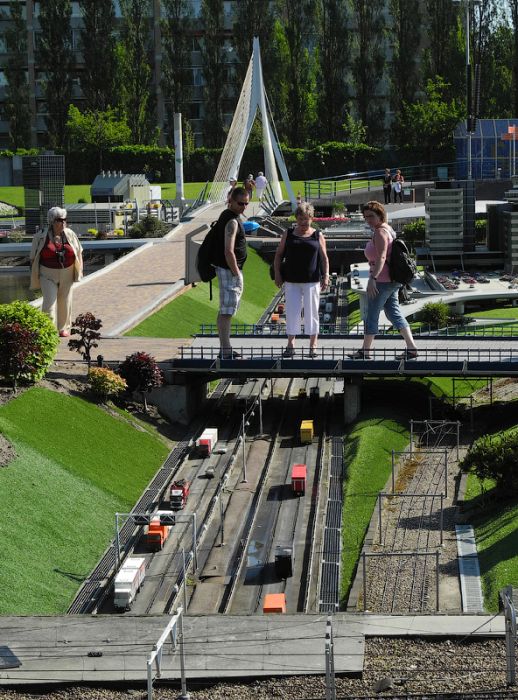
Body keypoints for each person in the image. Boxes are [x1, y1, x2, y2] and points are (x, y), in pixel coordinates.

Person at [347, 201, 418, 360]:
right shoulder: (388, 229)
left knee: (371, 314)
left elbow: (381, 257)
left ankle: (365, 351)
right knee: (393, 313)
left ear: (380, 215)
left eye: (371, 216)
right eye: (366, 217)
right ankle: (412, 348)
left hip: (383, 280)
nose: (368, 220)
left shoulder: (380, 232)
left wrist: (373, 278)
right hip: (391, 280)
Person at [273, 202, 330, 358]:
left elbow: (324, 258)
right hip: (291, 280)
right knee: (292, 313)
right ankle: (291, 344)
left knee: (312, 313)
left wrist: (326, 275)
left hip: (312, 281)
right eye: (300, 219)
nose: (303, 222)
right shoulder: (289, 233)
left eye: (306, 219)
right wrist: (277, 273)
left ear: (311, 218)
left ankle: (313, 345)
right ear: (296, 219)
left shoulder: (317, 235)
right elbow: (278, 255)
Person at [30, 206, 83, 337]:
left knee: (65, 301)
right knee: (49, 303)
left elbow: (79, 252)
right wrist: (34, 273)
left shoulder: (70, 234)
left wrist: (80, 270)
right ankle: (48, 329)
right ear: (52, 221)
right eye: (60, 219)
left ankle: (63, 328)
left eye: (65, 219)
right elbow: (32, 257)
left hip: (67, 272)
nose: (64, 222)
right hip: (47, 274)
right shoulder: (40, 236)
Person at [212, 187, 249, 359]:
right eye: (240, 203)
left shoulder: (228, 216)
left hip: (228, 269)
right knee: (227, 311)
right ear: (231, 201)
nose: (244, 207)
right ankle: (225, 351)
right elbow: (229, 251)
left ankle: (225, 348)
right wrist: (236, 273)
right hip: (229, 271)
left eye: (246, 203)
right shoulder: (232, 221)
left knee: (226, 309)